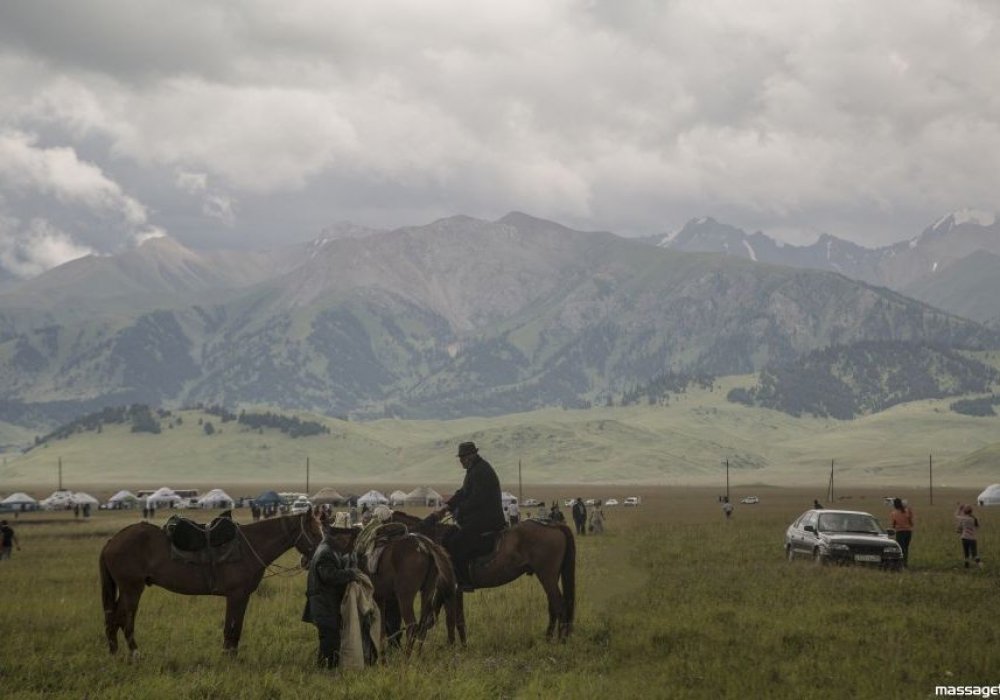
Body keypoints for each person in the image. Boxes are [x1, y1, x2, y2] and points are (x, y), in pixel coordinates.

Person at [440, 441, 506, 589]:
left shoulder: (481, 471)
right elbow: (463, 492)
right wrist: (448, 505)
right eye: (460, 458)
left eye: (462, 458)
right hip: (480, 517)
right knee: (448, 536)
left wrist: (459, 510)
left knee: (456, 542)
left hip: (487, 519)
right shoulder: (474, 469)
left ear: (471, 456)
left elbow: (478, 499)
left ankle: (464, 580)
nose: (461, 461)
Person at [302, 538, 362, 669]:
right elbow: (329, 576)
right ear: (339, 535)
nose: (347, 541)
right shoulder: (326, 553)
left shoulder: (328, 549)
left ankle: (325, 668)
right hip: (323, 604)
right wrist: (351, 573)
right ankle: (328, 670)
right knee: (330, 639)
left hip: (325, 603)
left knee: (330, 638)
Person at [955, 503, 982, 569]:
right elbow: (977, 527)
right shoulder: (974, 519)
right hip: (972, 539)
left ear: (964, 512)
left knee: (966, 553)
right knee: (974, 554)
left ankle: (966, 566)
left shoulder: (963, 519)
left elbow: (956, 516)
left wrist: (959, 509)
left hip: (964, 538)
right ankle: (980, 565)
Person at [889, 498, 914, 567]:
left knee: (900, 549)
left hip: (900, 532)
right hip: (908, 532)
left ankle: (900, 563)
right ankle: (905, 563)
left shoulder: (893, 513)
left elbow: (893, 525)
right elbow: (911, 523)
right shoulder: (907, 511)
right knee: (906, 548)